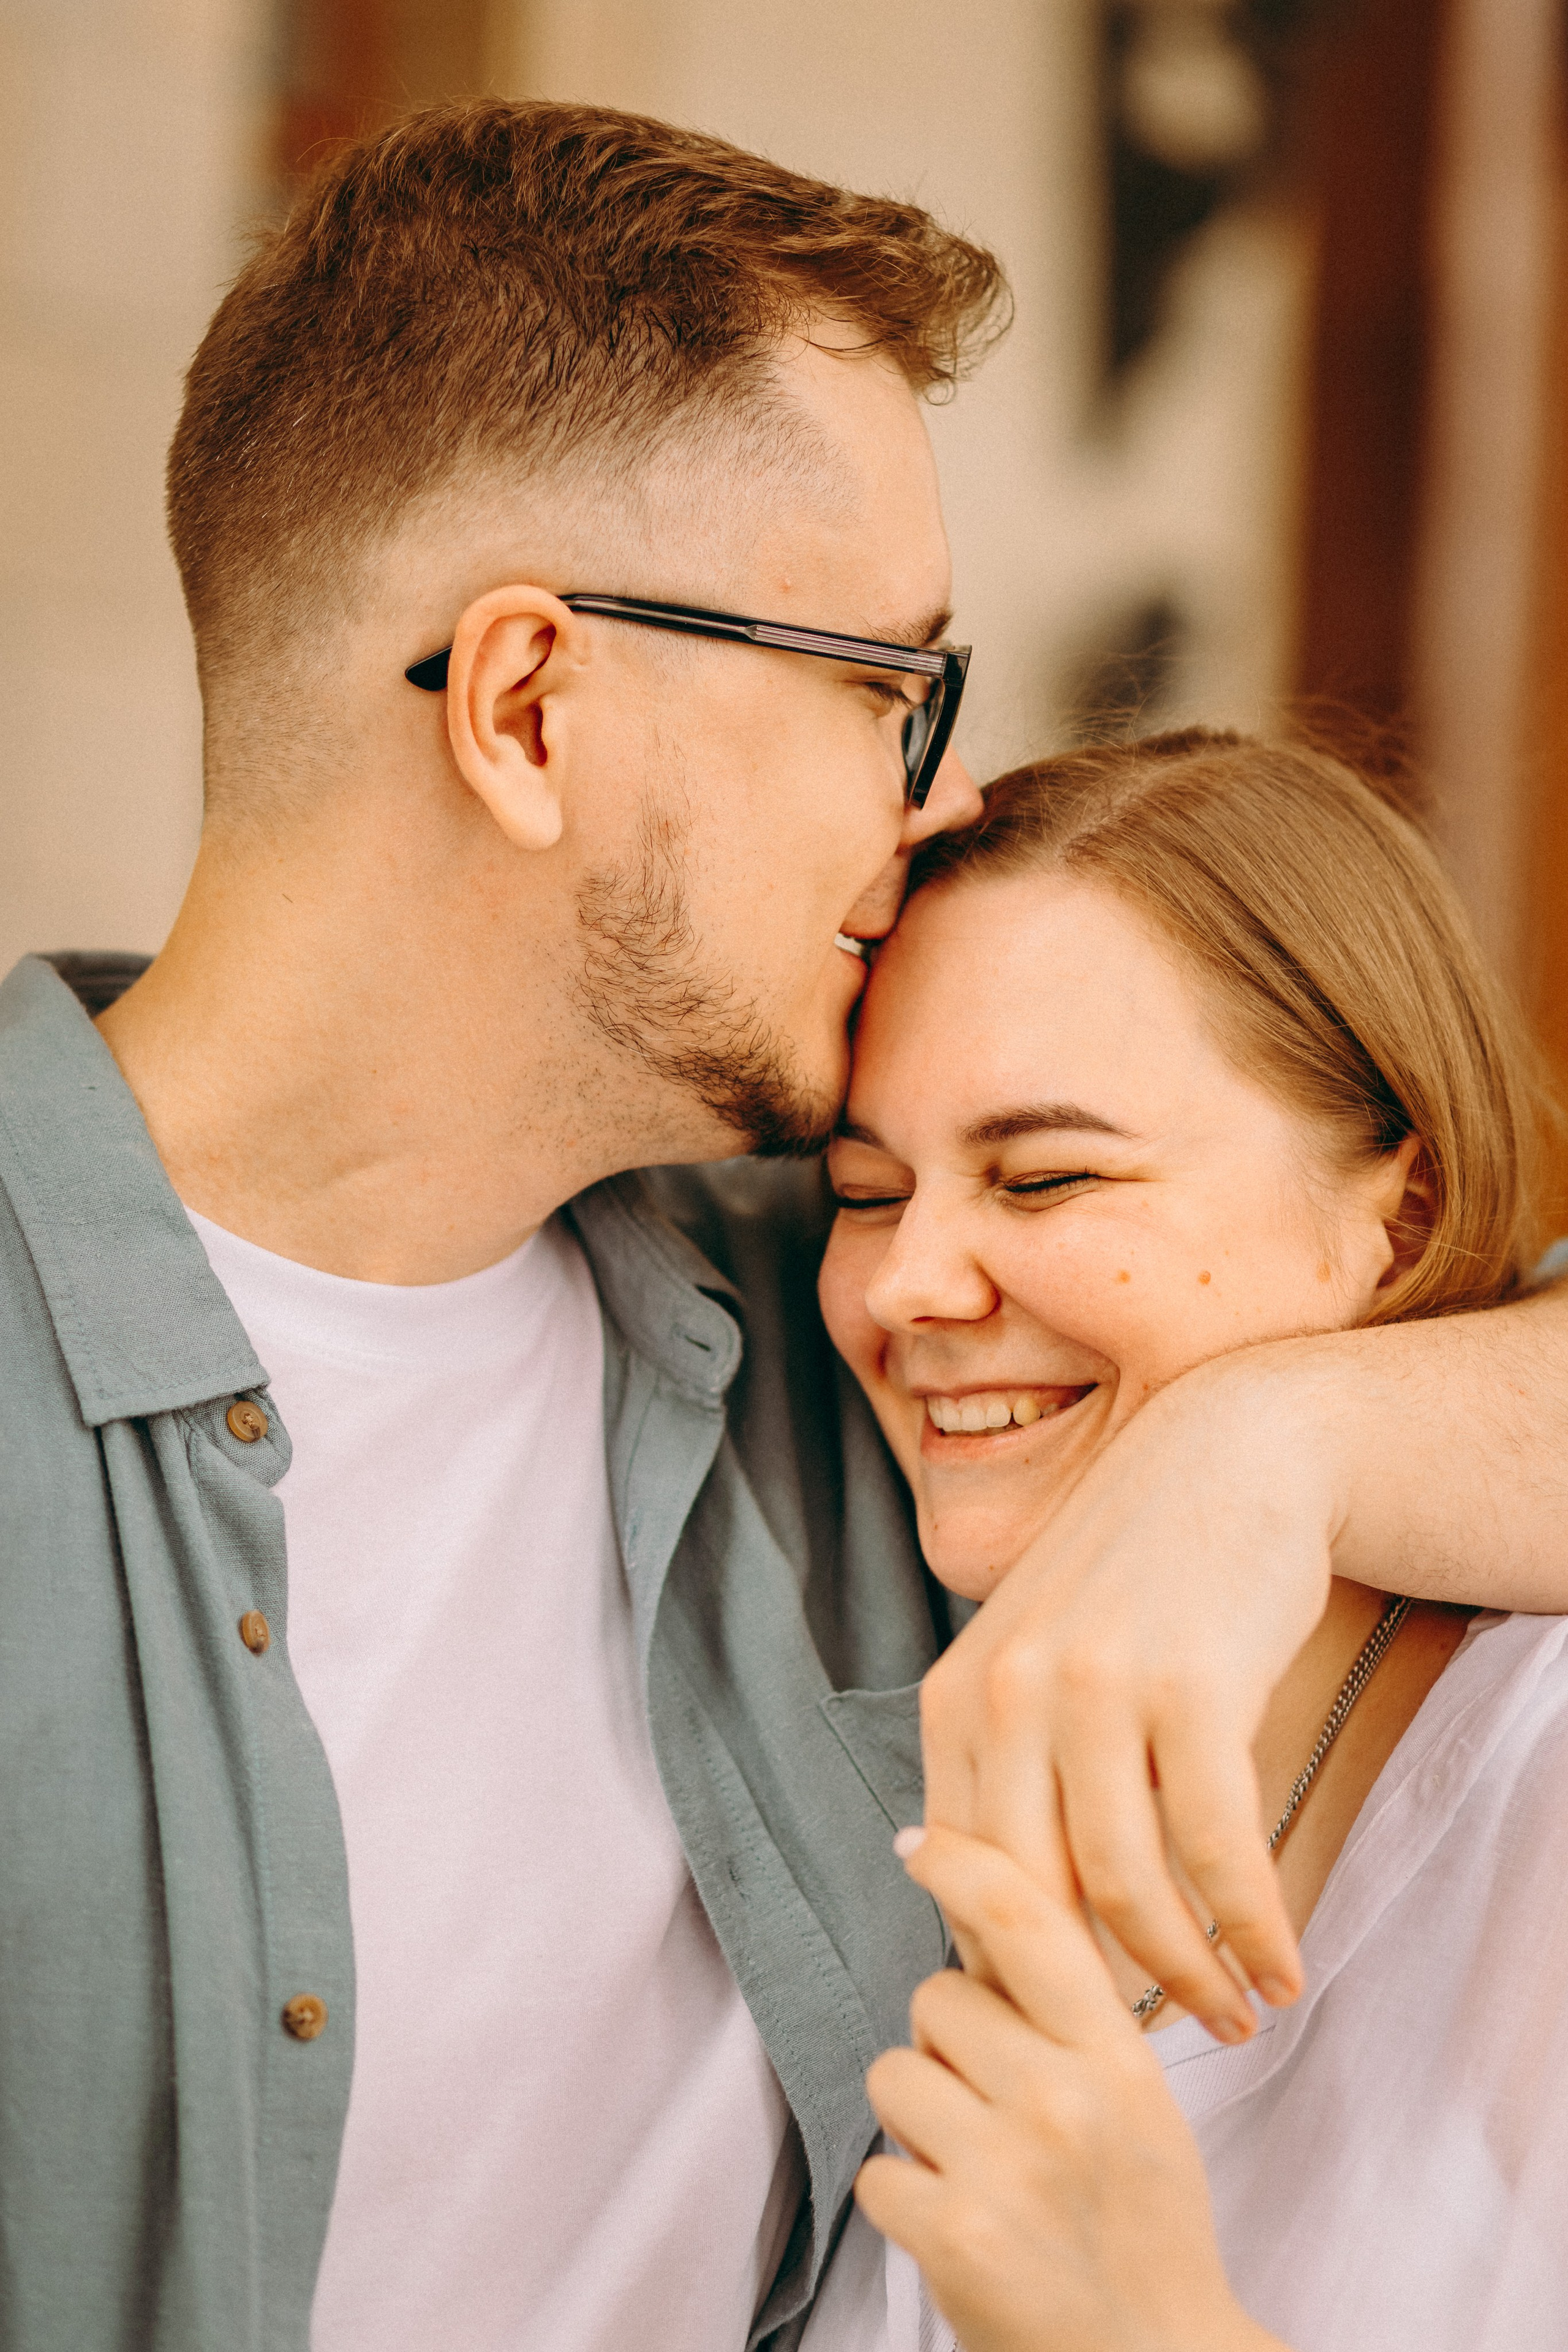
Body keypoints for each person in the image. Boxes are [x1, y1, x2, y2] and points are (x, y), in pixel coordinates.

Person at [0, 99, 1005, 2352]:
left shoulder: (890, 1308)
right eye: (882, 685)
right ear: (529, 708)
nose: (935, 798)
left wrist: (1266, 1467)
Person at [813, 731, 1568, 2350]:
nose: (906, 1285)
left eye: (1045, 1178)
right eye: (865, 1192)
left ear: (1400, 1221)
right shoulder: (851, 1745)